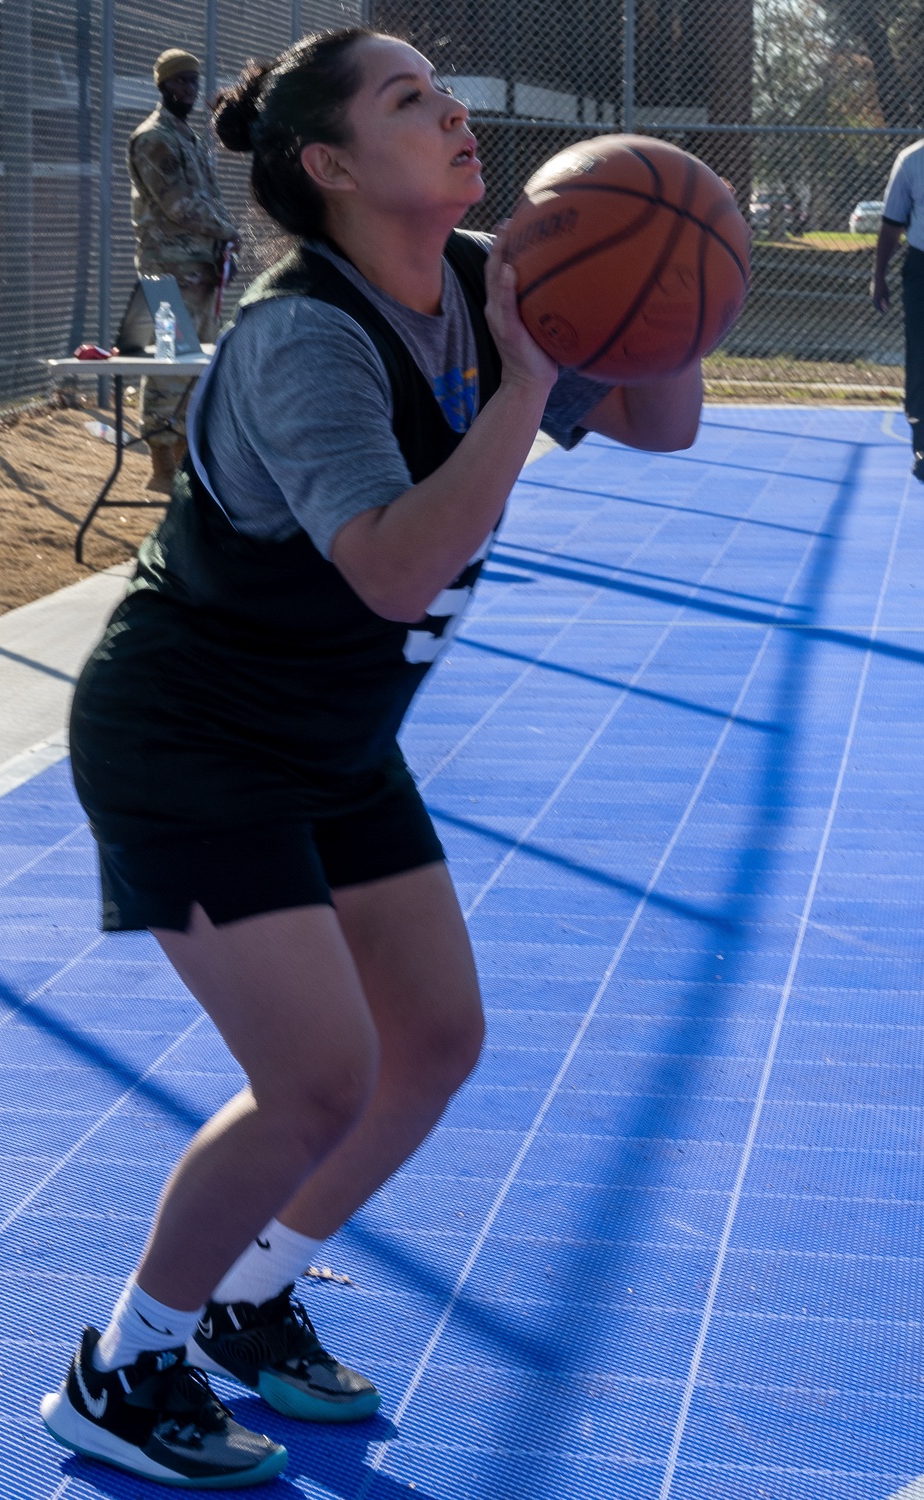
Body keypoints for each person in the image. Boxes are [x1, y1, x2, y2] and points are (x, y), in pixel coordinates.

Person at [40, 27, 705, 1489]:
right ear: (332, 165)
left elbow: (661, 426)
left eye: (444, 87)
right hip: (191, 738)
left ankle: (251, 1292)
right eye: (411, 98)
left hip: (333, 738)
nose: (453, 109)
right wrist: (528, 384)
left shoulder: (493, 277)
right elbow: (396, 572)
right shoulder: (304, 339)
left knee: (438, 1042)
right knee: (320, 1081)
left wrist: (678, 280)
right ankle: (125, 1363)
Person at [128, 48, 239, 493]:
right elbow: (178, 205)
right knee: (170, 363)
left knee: (196, 367)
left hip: (199, 272)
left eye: (193, 82)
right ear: (162, 85)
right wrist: (227, 229)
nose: (188, 90)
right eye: (180, 82)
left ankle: (184, 462)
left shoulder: (186, 138)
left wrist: (223, 239)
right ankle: (160, 466)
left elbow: (207, 200)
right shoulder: (155, 138)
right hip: (168, 273)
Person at [873, 138, 924, 480]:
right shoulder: (911, 160)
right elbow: (892, 223)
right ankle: (923, 446)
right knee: (921, 358)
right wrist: (878, 276)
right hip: (922, 269)